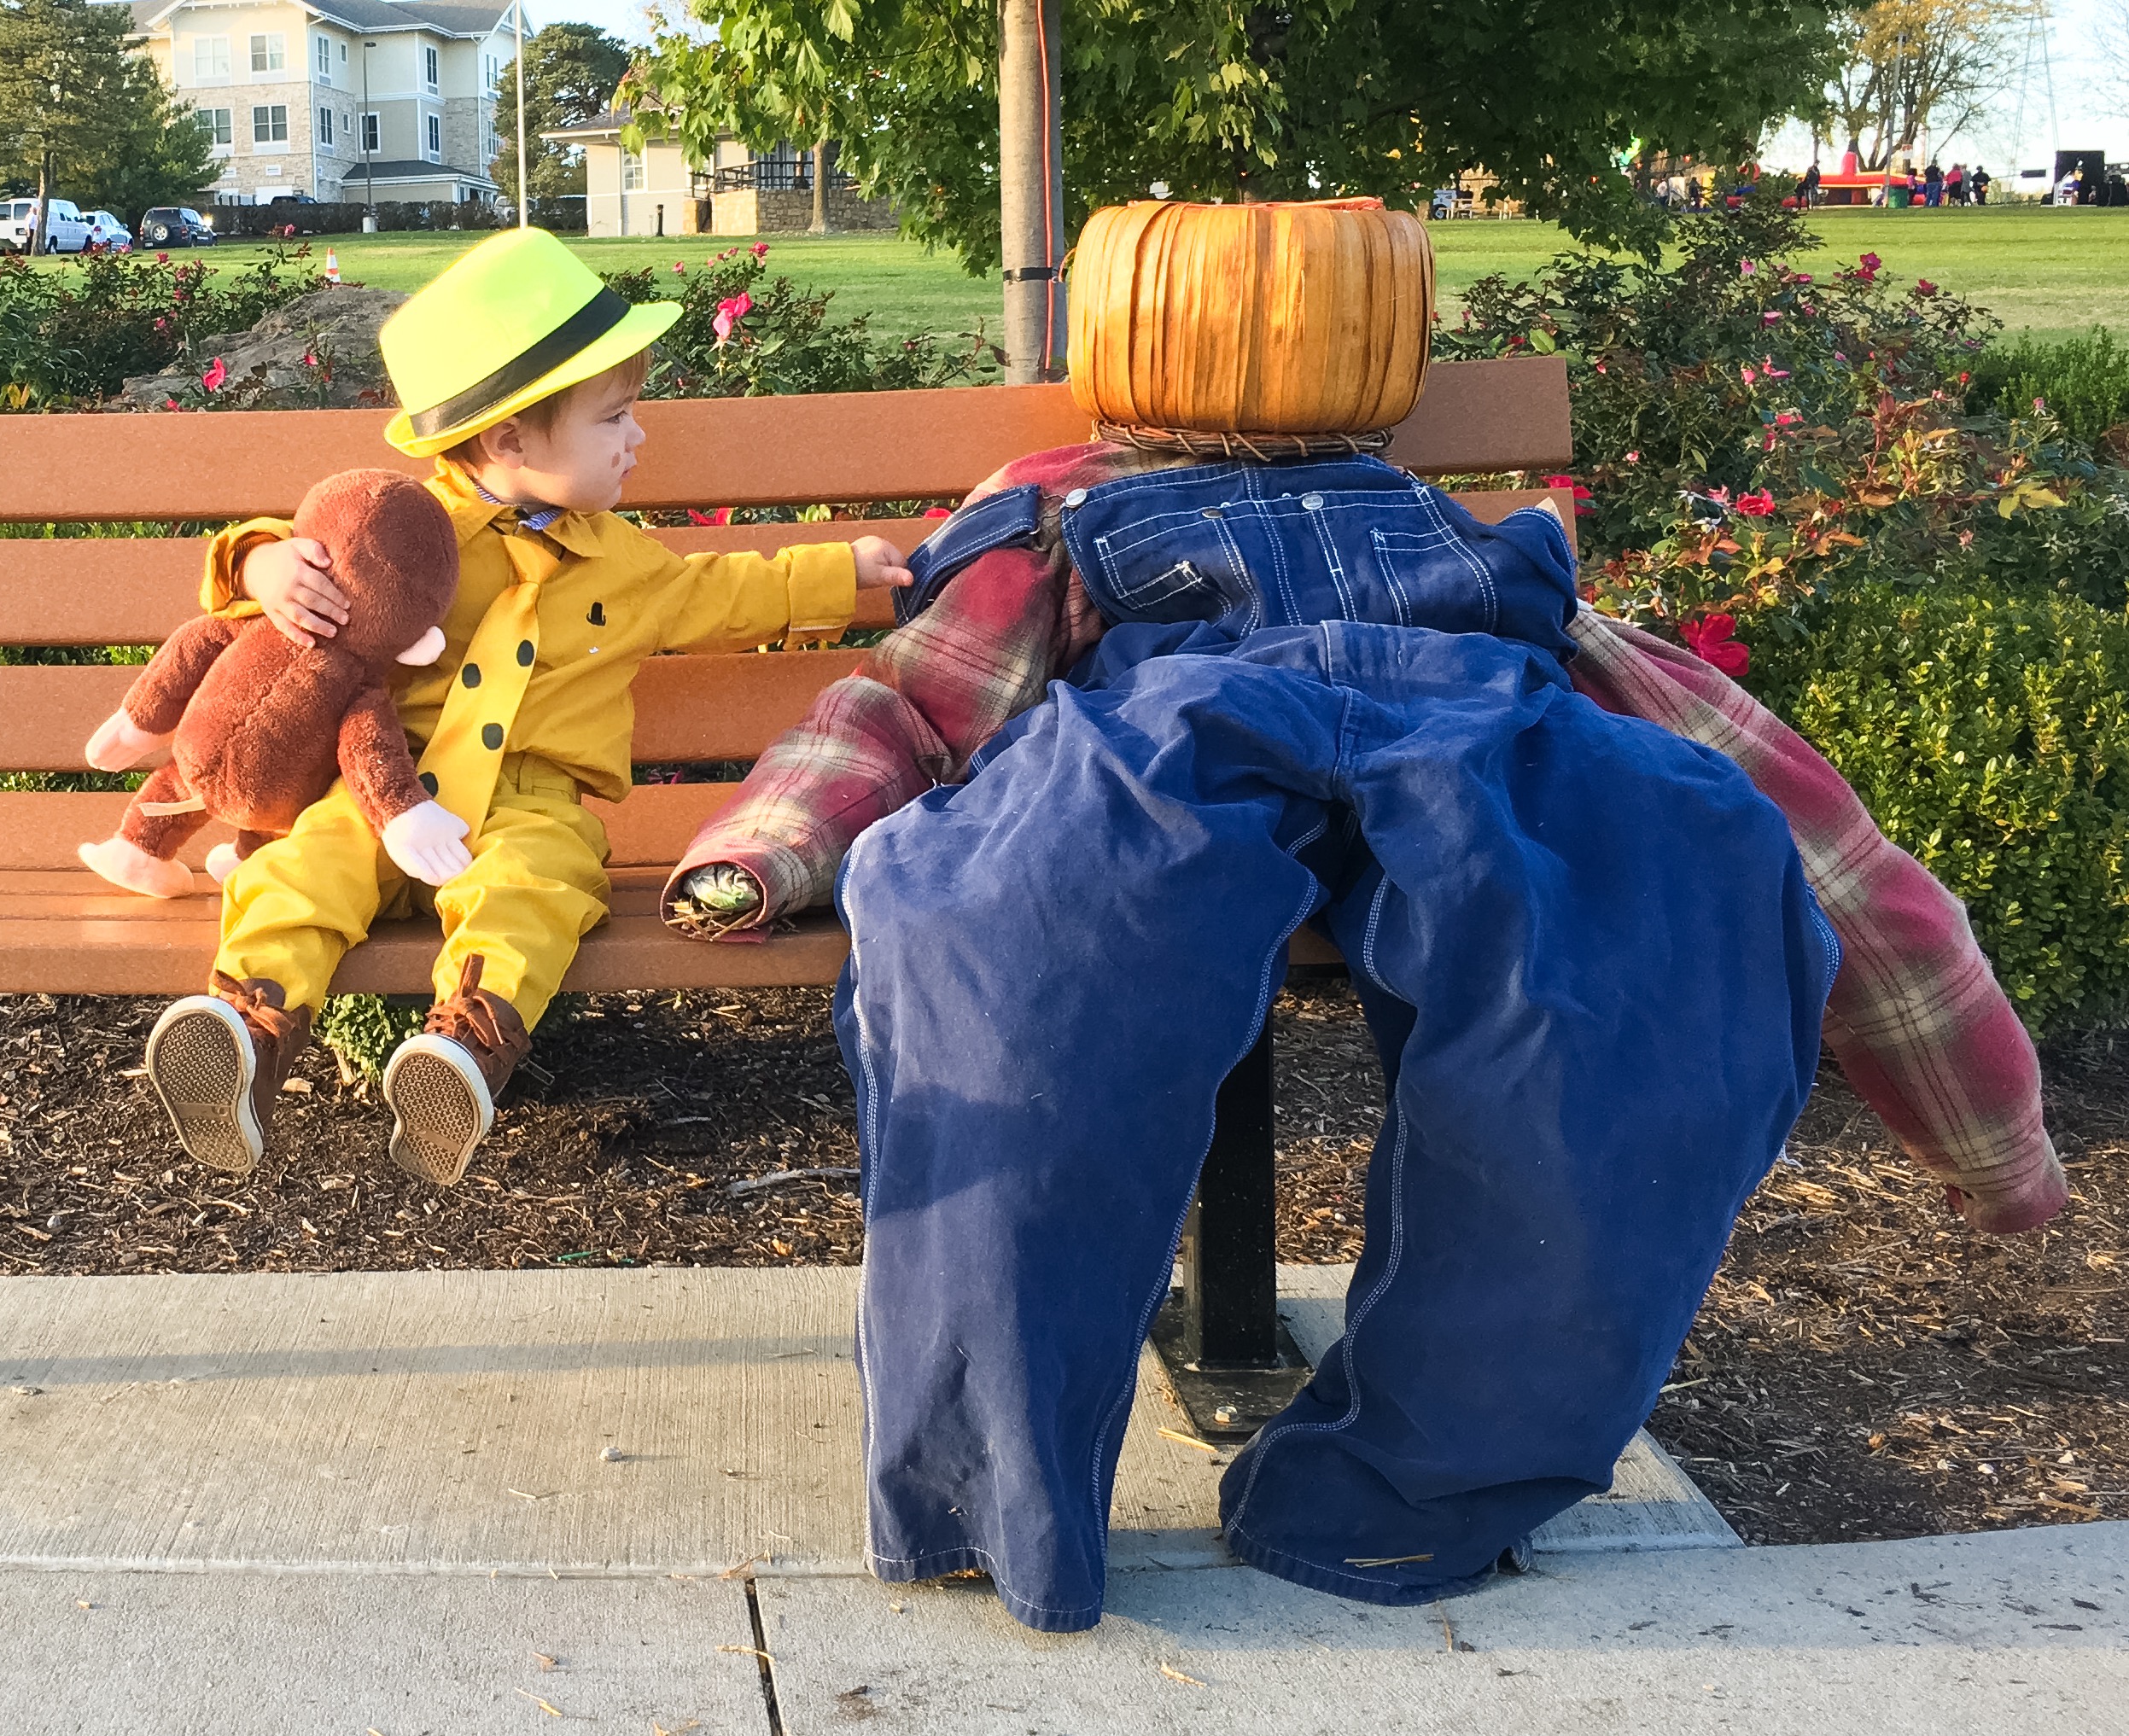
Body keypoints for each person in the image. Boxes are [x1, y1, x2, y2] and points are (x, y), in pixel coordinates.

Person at [664, 204, 2065, 1635]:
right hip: (1176, 736)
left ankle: (1399, 1495)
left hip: (1448, 720)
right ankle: (988, 1482)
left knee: (1652, 921)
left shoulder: (1433, 529)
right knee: (1015, 959)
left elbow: (1777, 815)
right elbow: (911, 699)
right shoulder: (1060, 509)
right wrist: (772, 846)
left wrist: (1990, 1138)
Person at [135, 226, 914, 1185]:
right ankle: (245, 1037)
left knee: (534, 892)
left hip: (530, 805)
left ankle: (461, 1053)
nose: (638, 437)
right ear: (507, 438)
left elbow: (726, 589)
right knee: (303, 868)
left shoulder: (623, 563)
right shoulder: (408, 534)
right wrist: (259, 560)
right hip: (383, 793)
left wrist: (844, 570)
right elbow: (290, 555)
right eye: (614, 418)